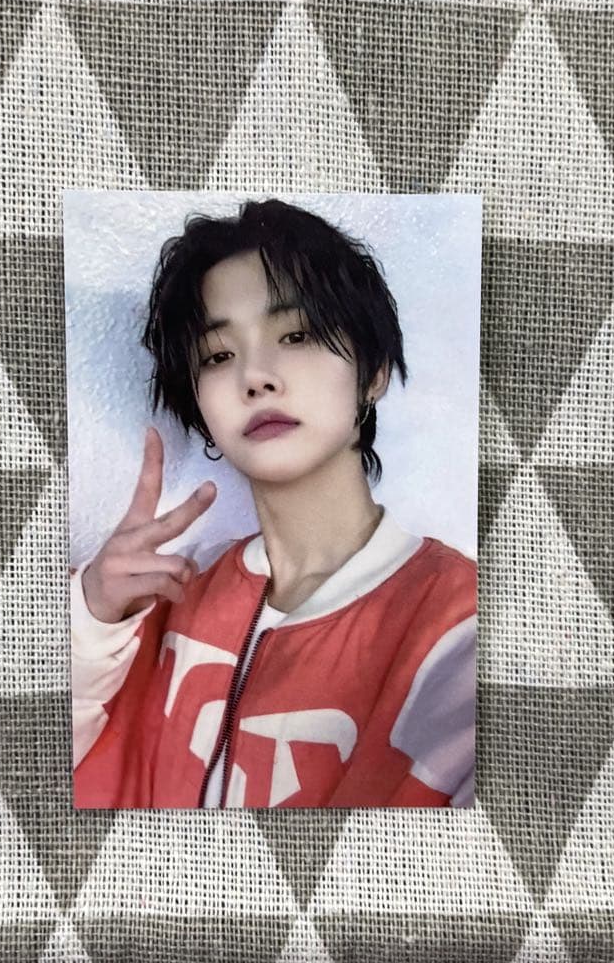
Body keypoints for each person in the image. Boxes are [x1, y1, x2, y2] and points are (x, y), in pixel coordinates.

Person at [70, 198, 477, 809]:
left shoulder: (457, 622)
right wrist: (92, 618)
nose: (255, 377)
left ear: (373, 372)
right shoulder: (163, 598)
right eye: (218, 355)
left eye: (296, 335)